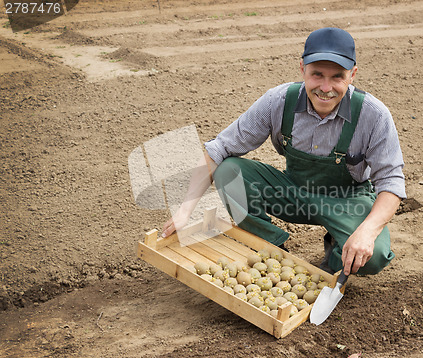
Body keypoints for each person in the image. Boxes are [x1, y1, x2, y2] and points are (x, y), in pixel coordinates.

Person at [162, 27, 405, 276]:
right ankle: (271, 249)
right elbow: (219, 148)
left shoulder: (373, 115)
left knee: (372, 257)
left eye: (337, 77)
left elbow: (392, 181)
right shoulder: (278, 102)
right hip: (293, 193)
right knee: (228, 171)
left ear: (352, 75)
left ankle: (334, 260)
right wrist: (185, 210)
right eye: (317, 74)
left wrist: (366, 232)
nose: (325, 87)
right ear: (302, 69)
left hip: (346, 202)